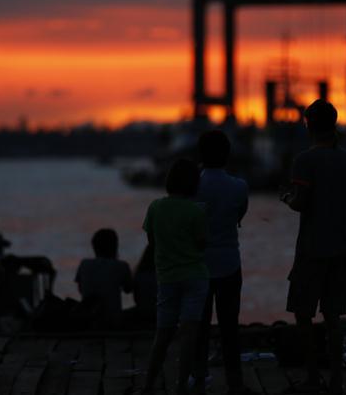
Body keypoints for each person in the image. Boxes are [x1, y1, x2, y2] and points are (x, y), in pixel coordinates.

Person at [280, 100, 346, 395]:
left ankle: (312, 377)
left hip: (312, 247)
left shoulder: (305, 160)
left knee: (302, 312)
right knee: (334, 316)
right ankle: (336, 380)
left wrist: (286, 198)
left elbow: (301, 202)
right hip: (340, 245)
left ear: (310, 124)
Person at [140, 159, 209, 395]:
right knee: (188, 334)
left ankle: (148, 385)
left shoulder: (155, 207)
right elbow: (201, 244)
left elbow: (152, 242)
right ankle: (181, 386)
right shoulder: (196, 211)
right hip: (195, 277)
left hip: (167, 277)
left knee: (163, 333)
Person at [192, 130, 251, 394]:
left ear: (200, 155)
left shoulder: (192, 187)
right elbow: (239, 215)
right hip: (229, 262)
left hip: (199, 264)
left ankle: (199, 377)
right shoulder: (240, 187)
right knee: (229, 327)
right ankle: (234, 382)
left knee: (199, 326)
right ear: (228, 155)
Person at [75, 228, 133, 329]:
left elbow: (80, 289)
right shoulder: (121, 266)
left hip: (88, 321)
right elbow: (128, 289)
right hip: (113, 322)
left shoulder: (84, 264)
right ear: (115, 246)